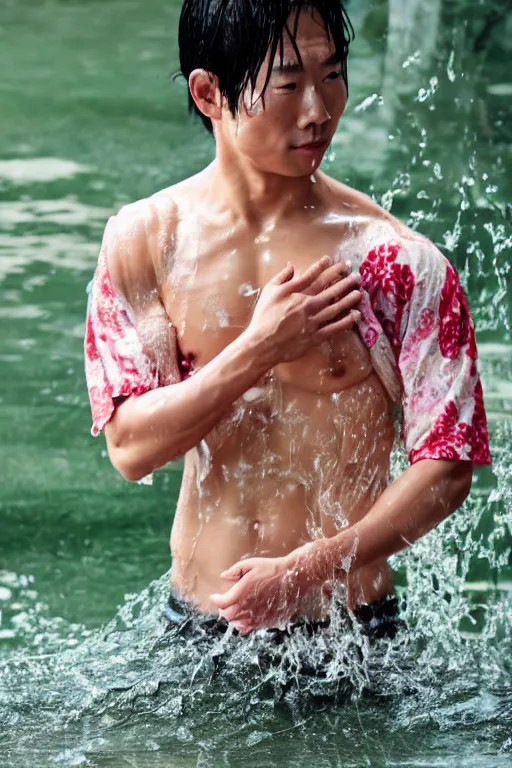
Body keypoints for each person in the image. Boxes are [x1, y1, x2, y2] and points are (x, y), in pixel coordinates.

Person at [85, 0, 491, 640]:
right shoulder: (146, 243)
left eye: (333, 75)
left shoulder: (393, 261)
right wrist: (260, 348)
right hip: (194, 627)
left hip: (352, 633)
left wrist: (311, 568)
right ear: (209, 91)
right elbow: (131, 450)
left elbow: (448, 467)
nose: (319, 111)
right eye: (289, 83)